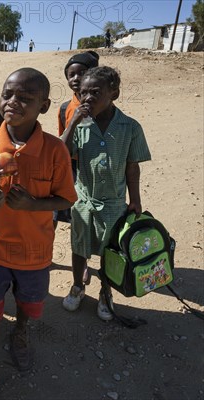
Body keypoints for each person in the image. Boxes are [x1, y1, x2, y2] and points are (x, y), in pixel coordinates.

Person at [0, 68, 77, 399]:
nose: (13, 102)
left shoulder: (55, 151)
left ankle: (22, 334)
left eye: (25, 98)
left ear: (44, 105)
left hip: (34, 252)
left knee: (29, 303)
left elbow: (67, 198)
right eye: (7, 95)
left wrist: (31, 204)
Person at [60, 66, 151, 320]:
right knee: (79, 248)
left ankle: (105, 291)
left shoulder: (130, 127)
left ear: (114, 94)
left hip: (114, 205)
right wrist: (73, 121)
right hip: (83, 201)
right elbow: (61, 154)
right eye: (83, 93)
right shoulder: (80, 126)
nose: (87, 98)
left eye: (95, 92)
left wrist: (136, 200)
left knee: (111, 253)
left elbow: (132, 168)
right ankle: (78, 286)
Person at [54, 51, 99, 227]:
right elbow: (62, 145)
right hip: (71, 168)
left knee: (86, 215)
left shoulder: (101, 106)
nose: (75, 78)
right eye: (71, 74)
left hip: (94, 168)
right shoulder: (65, 108)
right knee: (60, 211)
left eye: (81, 73)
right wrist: (74, 121)